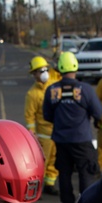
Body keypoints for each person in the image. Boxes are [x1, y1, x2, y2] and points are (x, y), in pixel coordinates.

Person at [42, 51, 102, 203]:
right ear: (75, 67)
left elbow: (47, 115)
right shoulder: (85, 89)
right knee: (87, 173)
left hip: (61, 141)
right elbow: (98, 112)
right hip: (82, 140)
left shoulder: (51, 90)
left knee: (64, 174)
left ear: (59, 69)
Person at [24, 56, 61, 195]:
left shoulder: (55, 84)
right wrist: (32, 132)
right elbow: (30, 116)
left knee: (54, 159)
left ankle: (50, 184)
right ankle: (36, 189)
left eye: (45, 69)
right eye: (40, 71)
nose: (44, 72)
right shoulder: (32, 94)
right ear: (34, 74)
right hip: (44, 134)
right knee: (41, 162)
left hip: (57, 131)